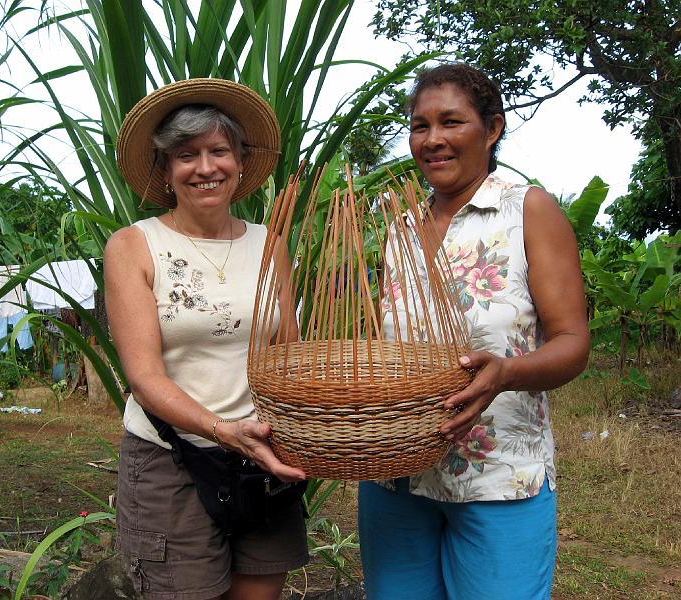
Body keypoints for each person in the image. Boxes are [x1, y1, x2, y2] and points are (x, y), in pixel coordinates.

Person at [358, 63, 590, 599]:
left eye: (451, 122)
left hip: (498, 475)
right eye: (420, 126)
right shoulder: (402, 227)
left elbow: (573, 345)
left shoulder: (526, 210)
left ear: (493, 128)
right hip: (397, 474)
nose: (433, 140)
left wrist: (506, 372)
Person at [106, 78, 308, 600]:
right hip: (171, 460)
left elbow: (289, 355)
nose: (205, 167)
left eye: (219, 151)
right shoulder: (135, 246)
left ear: (241, 162)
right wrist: (221, 429)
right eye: (186, 155)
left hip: (264, 458)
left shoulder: (270, 245)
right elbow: (144, 377)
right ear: (166, 171)